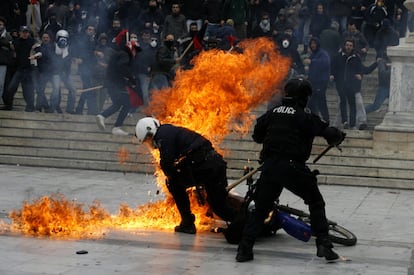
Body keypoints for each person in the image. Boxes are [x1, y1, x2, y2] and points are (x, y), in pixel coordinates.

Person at [236, 78, 345, 262]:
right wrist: (338, 136)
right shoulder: (304, 116)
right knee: (316, 202)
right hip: (293, 167)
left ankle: (244, 249)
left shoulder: (271, 113)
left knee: (261, 208)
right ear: (303, 98)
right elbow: (328, 132)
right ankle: (324, 245)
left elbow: (257, 136)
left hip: (270, 167)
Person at [135, 117, 236, 234]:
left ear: (150, 131)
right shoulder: (168, 131)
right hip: (213, 165)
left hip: (206, 167)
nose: (149, 142)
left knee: (173, 184)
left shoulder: (163, 135)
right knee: (218, 205)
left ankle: (187, 223)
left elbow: (167, 162)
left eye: (147, 139)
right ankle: (246, 221)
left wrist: (172, 175)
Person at [96, 30, 141, 136]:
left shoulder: (118, 53)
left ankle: (102, 116)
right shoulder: (125, 55)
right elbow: (122, 67)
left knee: (117, 104)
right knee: (127, 104)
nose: (135, 53)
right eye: (135, 50)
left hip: (112, 83)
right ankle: (116, 127)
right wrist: (131, 78)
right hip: (116, 84)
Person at [330, 38, 362, 129]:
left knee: (352, 104)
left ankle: (352, 124)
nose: (348, 47)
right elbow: (333, 67)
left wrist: (359, 75)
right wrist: (332, 75)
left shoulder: (356, 57)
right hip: (340, 83)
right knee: (343, 101)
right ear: (344, 45)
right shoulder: (338, 56)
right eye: (347, 45)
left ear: (353, 47)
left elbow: (359, 69)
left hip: (351, 84)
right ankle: (345, 121)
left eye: (350, 46)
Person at [1, 26, 35, 111]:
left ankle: (30, 106)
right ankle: (8, 105)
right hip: (18, 69)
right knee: (11, 88)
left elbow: (38, 48)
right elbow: (8, 46)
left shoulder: (32, 41)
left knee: (27, 90)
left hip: (28, 70)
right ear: (20, 33)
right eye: (23, 32)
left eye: (26, 32)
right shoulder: (16, 42)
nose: (25, 34)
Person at [304, 37, 330, 123]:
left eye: (314, 43)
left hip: (321, 82)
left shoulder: (322, 53)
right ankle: (314, 119)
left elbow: (325, 62)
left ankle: (326, 119)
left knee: (321, 101)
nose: (313, 45)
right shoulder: (313, 54)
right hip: (313, 82)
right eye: (311, 44)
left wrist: (312, 62)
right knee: (311, 102)